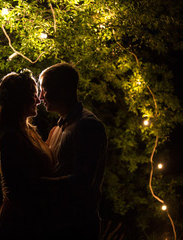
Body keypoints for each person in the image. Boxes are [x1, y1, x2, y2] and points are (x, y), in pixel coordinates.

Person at [39, 62, 107, 240]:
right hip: (57, 224)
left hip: (77, 226)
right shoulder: (59, 127)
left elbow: (82, 181)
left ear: (63, 89)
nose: (40, 97)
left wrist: (36, 184)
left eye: (44, 89)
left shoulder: (88, 125)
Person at [0, 70, 55, 240]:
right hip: (19, 224)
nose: (39, 100)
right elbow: (21, 189)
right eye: (34, 94)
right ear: (20, 99)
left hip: (32, 219)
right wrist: (68, 183)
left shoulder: (27, 131)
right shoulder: (10, 136)